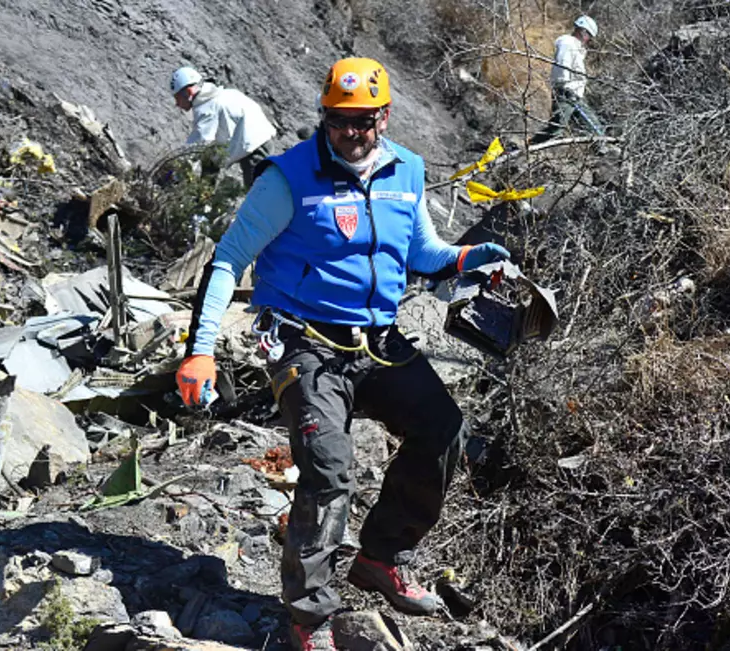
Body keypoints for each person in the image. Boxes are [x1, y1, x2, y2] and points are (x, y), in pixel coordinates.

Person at [175, 57, 510, 650]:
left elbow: (422, 253)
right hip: (304, 344)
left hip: (376, 342)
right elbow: (228, 260)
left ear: (384, 116)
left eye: (362, 121)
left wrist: (468, 258)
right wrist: (200, 352)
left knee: (444, 429)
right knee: (330, 474)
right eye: (337, 120)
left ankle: (381, 557)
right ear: (323, 117)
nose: (350, 133)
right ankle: (310, 619)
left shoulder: (406, 169)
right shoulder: (286, 179)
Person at [170, 66, 277, 188]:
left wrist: (177, 174)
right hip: (255, 141)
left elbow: (197, 146)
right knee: (210, 160)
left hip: (254, 147)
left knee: (257, 194)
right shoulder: (223, 94)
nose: (177, 104)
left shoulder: (207, 107)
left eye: (177, 98)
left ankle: (203, 201)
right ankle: (204, 199)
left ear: (188, 92)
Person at [534, 15, 606, 143]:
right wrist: (565, 88)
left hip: (574, 96)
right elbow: (562, 65)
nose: (589, 40)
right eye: (589, 36)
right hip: (566, 95)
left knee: (595, 128)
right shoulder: (567, 43)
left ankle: (604, 152)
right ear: (583, 31)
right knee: (556, 131)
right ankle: (523, 147)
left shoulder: (576, 47)